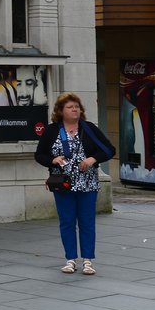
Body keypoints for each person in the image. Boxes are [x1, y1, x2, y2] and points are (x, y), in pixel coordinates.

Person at [34, 92, 115, 275]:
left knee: (87, 222)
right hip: (63, 184)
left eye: (77, 106)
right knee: (67, 222)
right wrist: (52, 160)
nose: (75, 110)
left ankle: (88, 260)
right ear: (61, 111)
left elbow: (109, 149)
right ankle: (70, 259)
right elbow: (39, 155)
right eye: (70, 107)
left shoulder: (89, 128)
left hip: (87, 183)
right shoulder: (53, 130)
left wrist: (92, 159)